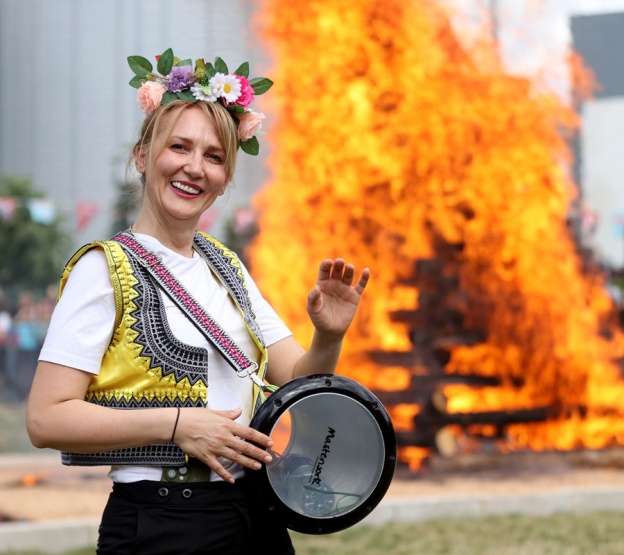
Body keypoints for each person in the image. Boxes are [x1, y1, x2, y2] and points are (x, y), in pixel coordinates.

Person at [26, 49, 370, 555]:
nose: (194, 168)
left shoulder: (226, 266)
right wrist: (178, 425)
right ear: (144, 156)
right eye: (179, 147)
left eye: (214, 157)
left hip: (253, 512)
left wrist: (329, 334)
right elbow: (45, 419)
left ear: (226, 177)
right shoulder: (103, 269)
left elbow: (296, 380)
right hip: (163, 520)